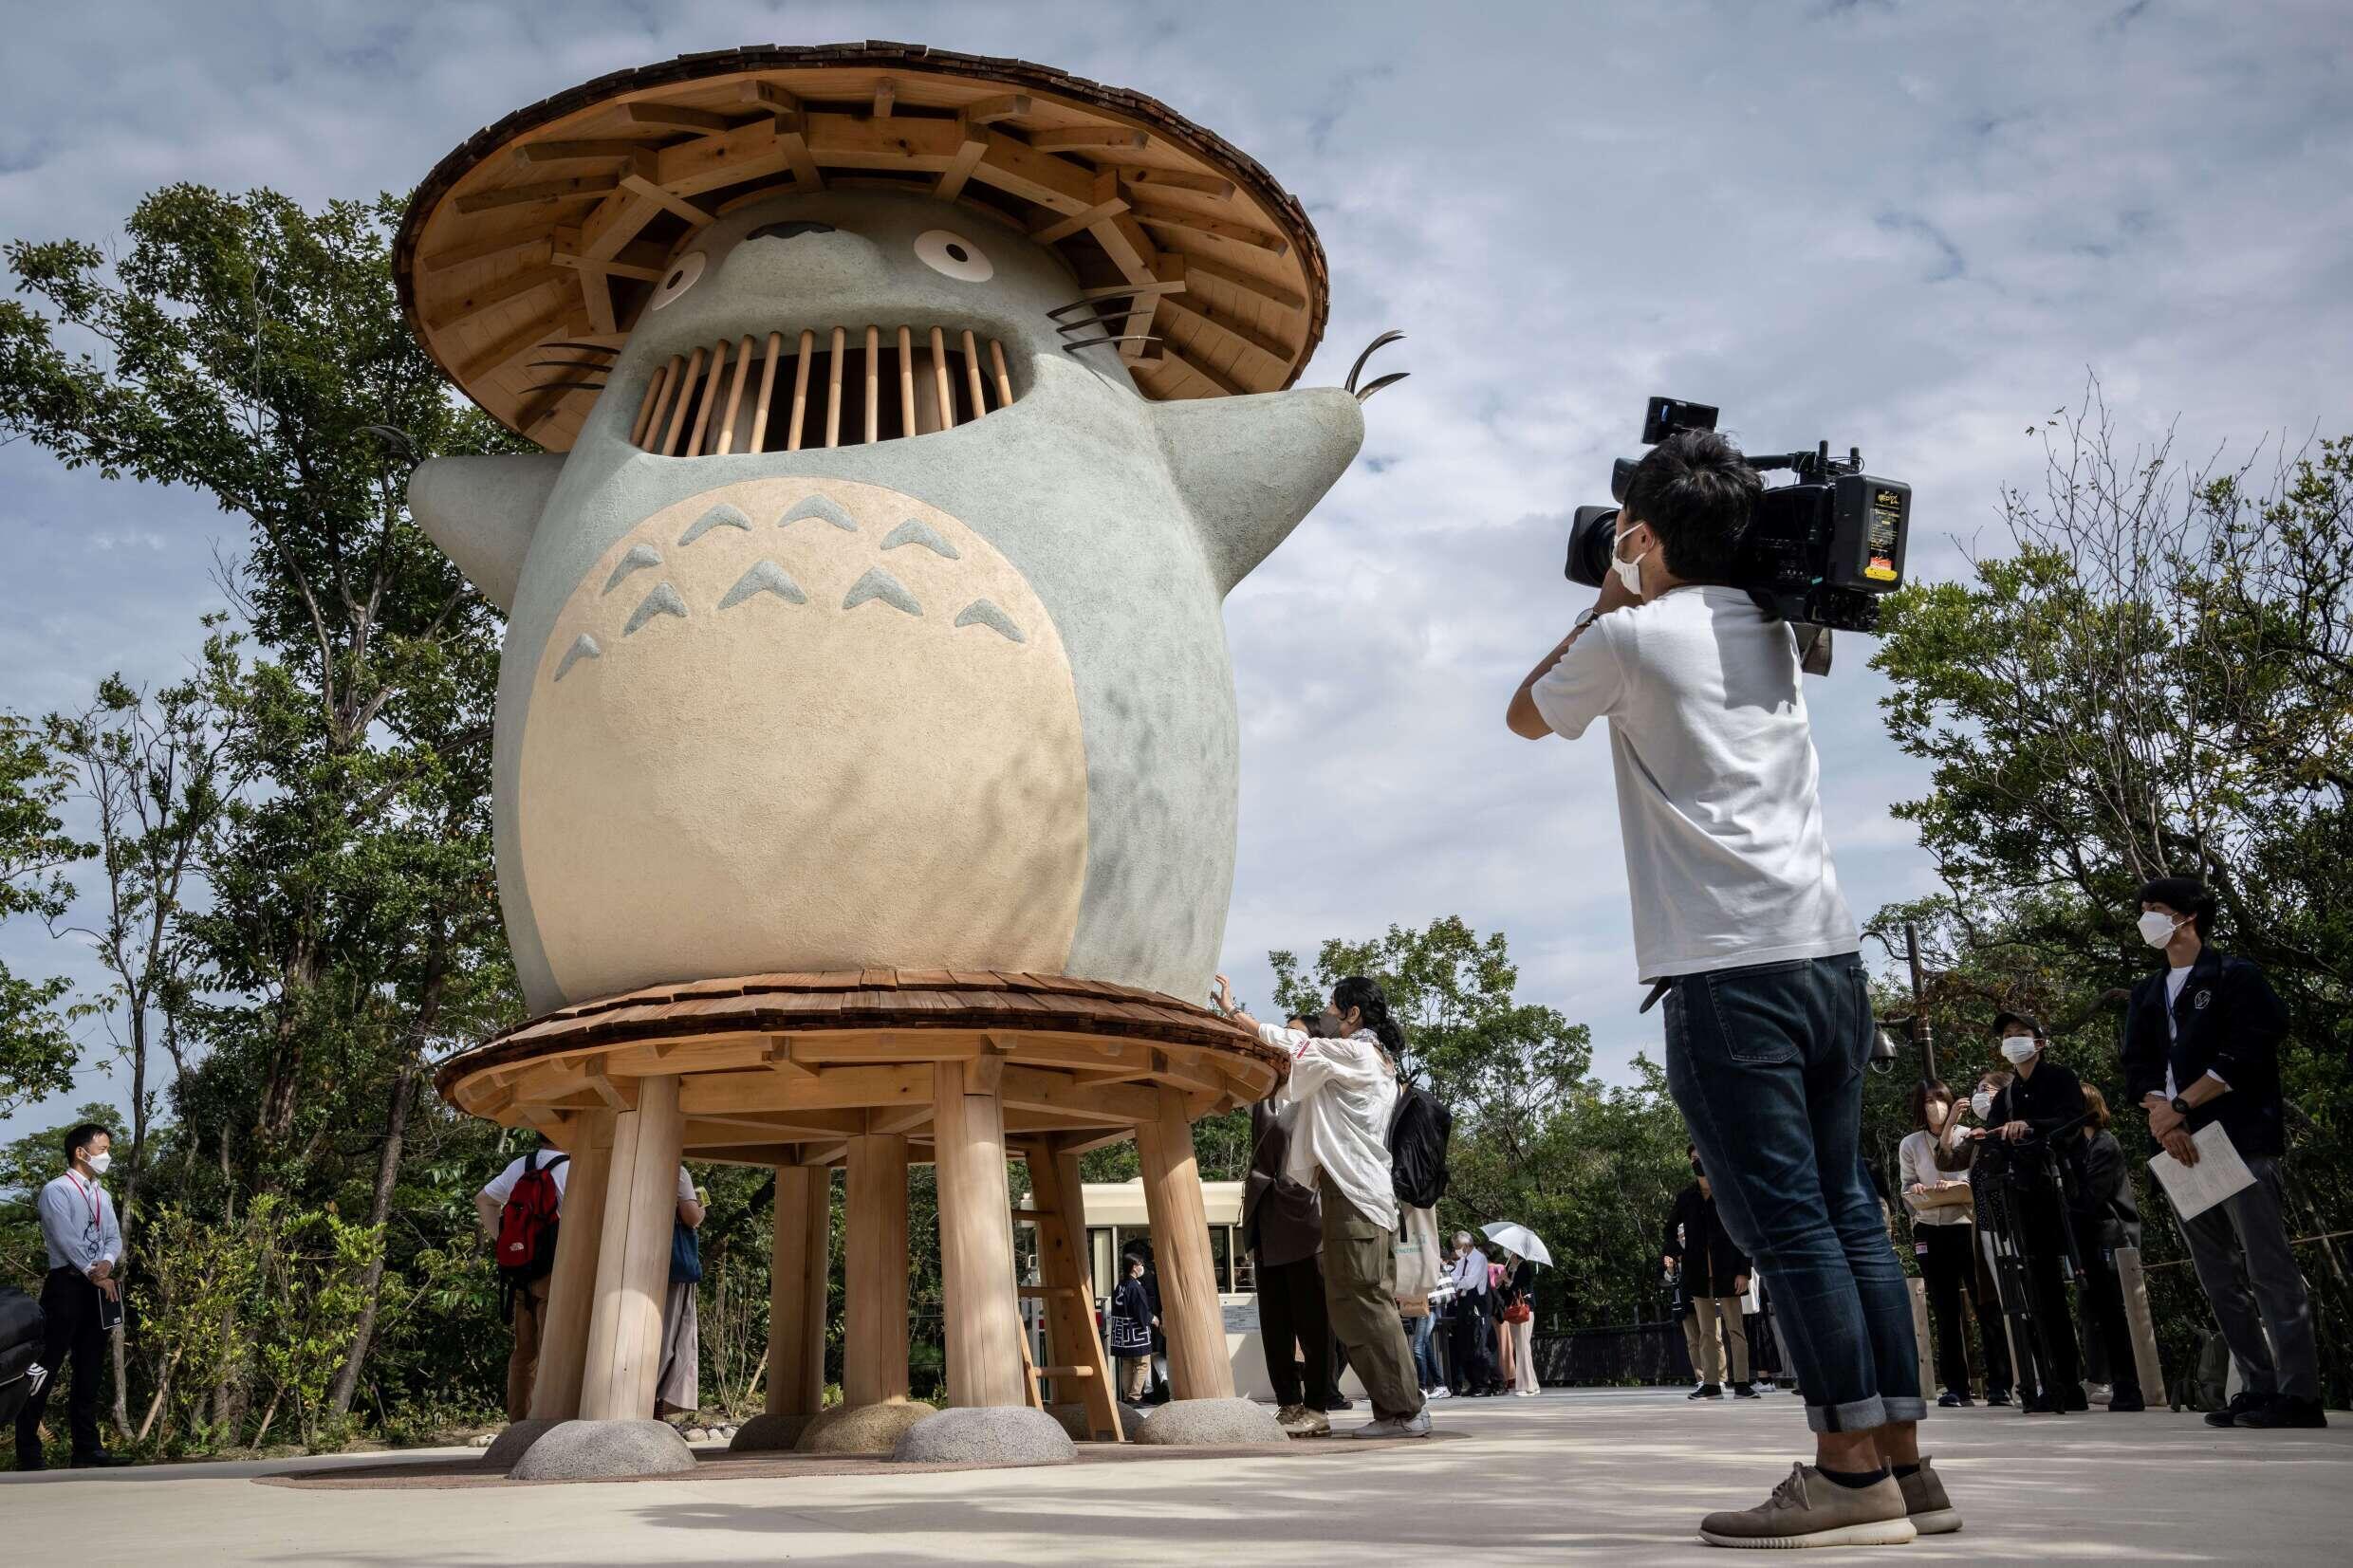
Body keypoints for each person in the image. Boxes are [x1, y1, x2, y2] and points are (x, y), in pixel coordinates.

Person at [1509, 429, 1943, 1547]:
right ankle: (1903, 1467)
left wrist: (1610, 590)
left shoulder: (1629, 638)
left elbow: (1524, 711)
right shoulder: (1776, 626)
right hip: (1828, 962)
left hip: (1725, 972)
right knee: (1848, 1215)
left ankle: (1846, 1478)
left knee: (1789, 1230)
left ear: (1642, 535)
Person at [2122, 876, 2322, 1430]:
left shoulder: (2234, 975)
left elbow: (2248, 1050)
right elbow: (2136, 1065)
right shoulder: (2147, 991)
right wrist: (2163, 1117)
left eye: (2156, 909)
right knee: (2217, 1274)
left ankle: (2299, 1394)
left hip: (2237, 1137)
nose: (2146, 919)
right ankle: (2256, 1387)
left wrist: (2182, 1105)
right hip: (2178, 1145)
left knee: (2268, 1266)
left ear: (2187, 916)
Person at [1220, 972, 1431, 1439]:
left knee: (1364, 1304)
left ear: (1353, 1014)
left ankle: (1405, 1410)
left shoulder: (1358, 1053)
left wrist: (1235, 1014)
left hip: (1356, 1197)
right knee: (1357, 1304)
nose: (1327, 1015)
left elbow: (1293, 1044)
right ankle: (1396, 1410)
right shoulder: (1371, 1058)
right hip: (1356, 1196)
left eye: (1333, 1007)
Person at [1978, 1013, 2088, 1413]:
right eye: (2007, 1036)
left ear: (2039, 1042)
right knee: (2040, 1293)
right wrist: (1986, 1137)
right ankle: (2056, 1382)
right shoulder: (2006, 1096)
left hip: (2065, 1191)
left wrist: (2030, 1126)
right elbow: (1993, 1134)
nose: (2012, 1041)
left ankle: (2114, 1382)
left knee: (2090, 1286)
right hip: (2022, 1194)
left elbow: (2072, 1121)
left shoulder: (2060, 1078)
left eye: (2020, 1034)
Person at [13, 1122, 123, 1470]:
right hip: (67, 1285)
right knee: (45, 1366)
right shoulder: (56, 1190)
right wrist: (93, 1272)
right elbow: (65, 1239)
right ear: (81, 1152)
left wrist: (107, 1263)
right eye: (102, 1149)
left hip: (99, 1287)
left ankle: (87, 1449)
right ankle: (28, 1450)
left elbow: (113, 1237)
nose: (107, 1156)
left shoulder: (102, 1194)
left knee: (90, 1368)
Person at [1244, 1041, 1337, 1437]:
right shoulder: (1262, 1096)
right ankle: (1288, 1401)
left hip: (1304, 1217)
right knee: (1274, 1320)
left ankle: (1317, 1404)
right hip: (1264, 1214)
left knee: (1313, 1320)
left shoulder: (1319, 1095)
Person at [1899, 1080, 2010, 1408]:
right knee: (1944, 1310)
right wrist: (1917, 1190)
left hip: (1967, 1225)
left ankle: (2000, 1384)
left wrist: (1956, 1186)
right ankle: (1956, 1387)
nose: (1935, 1105)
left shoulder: (1969, 1135)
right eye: (1927, 1100)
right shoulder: (1910, 1143)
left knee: (1985, 1305)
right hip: (1930, 1228)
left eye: (1939, 1098)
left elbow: (1979, 1179)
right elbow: (1907, 1184)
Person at [476, 1140, 571, 1422]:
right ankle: (550, 1420)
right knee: (553, 1347)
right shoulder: (572, 1169)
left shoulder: (521, 1165)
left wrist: (504, 1242)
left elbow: (483, 1199)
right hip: (555, 1271)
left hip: (521, 1272)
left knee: (524, 1352)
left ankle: (519, 1423)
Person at [2067, 1086, 2144, 1412]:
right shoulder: (2078, 1146)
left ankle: (2124, 1381)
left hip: (2112, 1236)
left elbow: (2094, 1192)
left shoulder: (2104, 1143)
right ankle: (2096, 1377)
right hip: (2088, 1237)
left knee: (2113, 1309)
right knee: (2090, 1310)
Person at [1665, 1149, 1756, 1400]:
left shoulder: (1729, 1192)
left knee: (1735, 1329)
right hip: (1698, 1273)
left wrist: (1744, 1271)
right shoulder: (1686, 1197)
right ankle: (1712, 1385)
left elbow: (1745, 1232)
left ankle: (1742, 1383)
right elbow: (1668, 1230)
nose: (1699, 1163)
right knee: (1706, 1332)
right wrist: (1678, 1253)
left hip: (1728, 1271)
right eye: (1694, 1159)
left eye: (1702, 1157)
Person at [655, 1167, 704, 1421]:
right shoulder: (675, 1169)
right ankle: (655, 1400)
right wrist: (701, 1209)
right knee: (669, 1334)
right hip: (669, 1266)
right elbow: (691, 1216)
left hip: (624, 1261)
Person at [1446, 1228, 1500, 1394]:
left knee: (1479, 1346)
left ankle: (1492, 1382)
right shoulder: (1463, 1261)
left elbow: (1470, 1282)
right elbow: (1452, 1276)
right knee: (1465, 1346)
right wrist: (1458, 1279)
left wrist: (1458, 1280)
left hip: (1478, 1304)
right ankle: (1475, 1383)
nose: (1456, 1250)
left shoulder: (1479, 1259)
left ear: (1466, 1245)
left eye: (1457, 1247)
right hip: (1464, 1304)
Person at [1108, 1254, 1156, 1402]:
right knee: (1143, 1363)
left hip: (1121, 1332)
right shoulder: (1135, 1287)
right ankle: (1134, 1396)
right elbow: (1141, 1311)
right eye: (1140, 1264)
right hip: (1135, 1332)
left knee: (1127, 1364)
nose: (1142, 1267)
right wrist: (1152, 1319)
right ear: (1134, 1267)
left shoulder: (1120, 1286)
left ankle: (1127, 1395)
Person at [1496, 1248, 1539, 1396]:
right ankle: (1532, 1383)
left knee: (1523, 1347)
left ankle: (1526, 1386)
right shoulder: (1510, 1267)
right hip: (1514, 1311)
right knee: (1520, 1347)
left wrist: (1508, 1280)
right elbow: (1506, 1293)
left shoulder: (1523, 1266)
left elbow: (1522, 1286)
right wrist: (1501, 1281)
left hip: (1525, 1310)